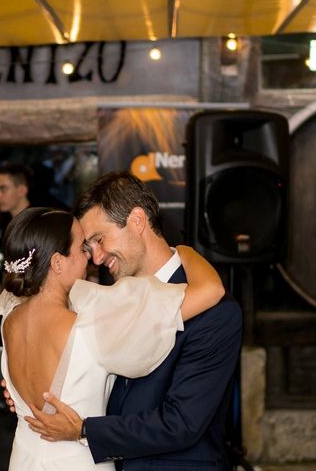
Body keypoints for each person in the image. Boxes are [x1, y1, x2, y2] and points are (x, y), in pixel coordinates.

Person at [22, 171, 243, 470]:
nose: (97, 259)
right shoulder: (107, 300)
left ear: (137, 221)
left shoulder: (215, 311)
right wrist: (26, 392)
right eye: (88, 248)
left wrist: (84, 430)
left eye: (99, 240)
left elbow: (181, 424)